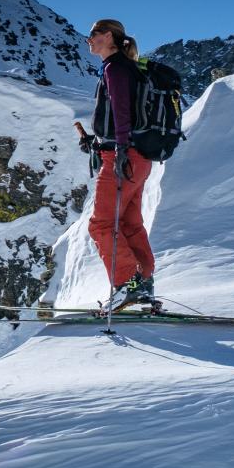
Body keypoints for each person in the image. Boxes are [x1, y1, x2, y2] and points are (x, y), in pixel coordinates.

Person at [81, 19, 156, 312]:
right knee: (129, 223)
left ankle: (127, 285)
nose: (89, 40)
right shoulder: (127, 69)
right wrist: (98, 143)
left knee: (100, 224)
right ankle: (143, 284)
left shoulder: (115, 68)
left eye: (93, 34)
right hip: (138, 158)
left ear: (108, 36)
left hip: (122, 158)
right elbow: (123, 117)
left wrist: (120, 148)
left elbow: (122, 110)